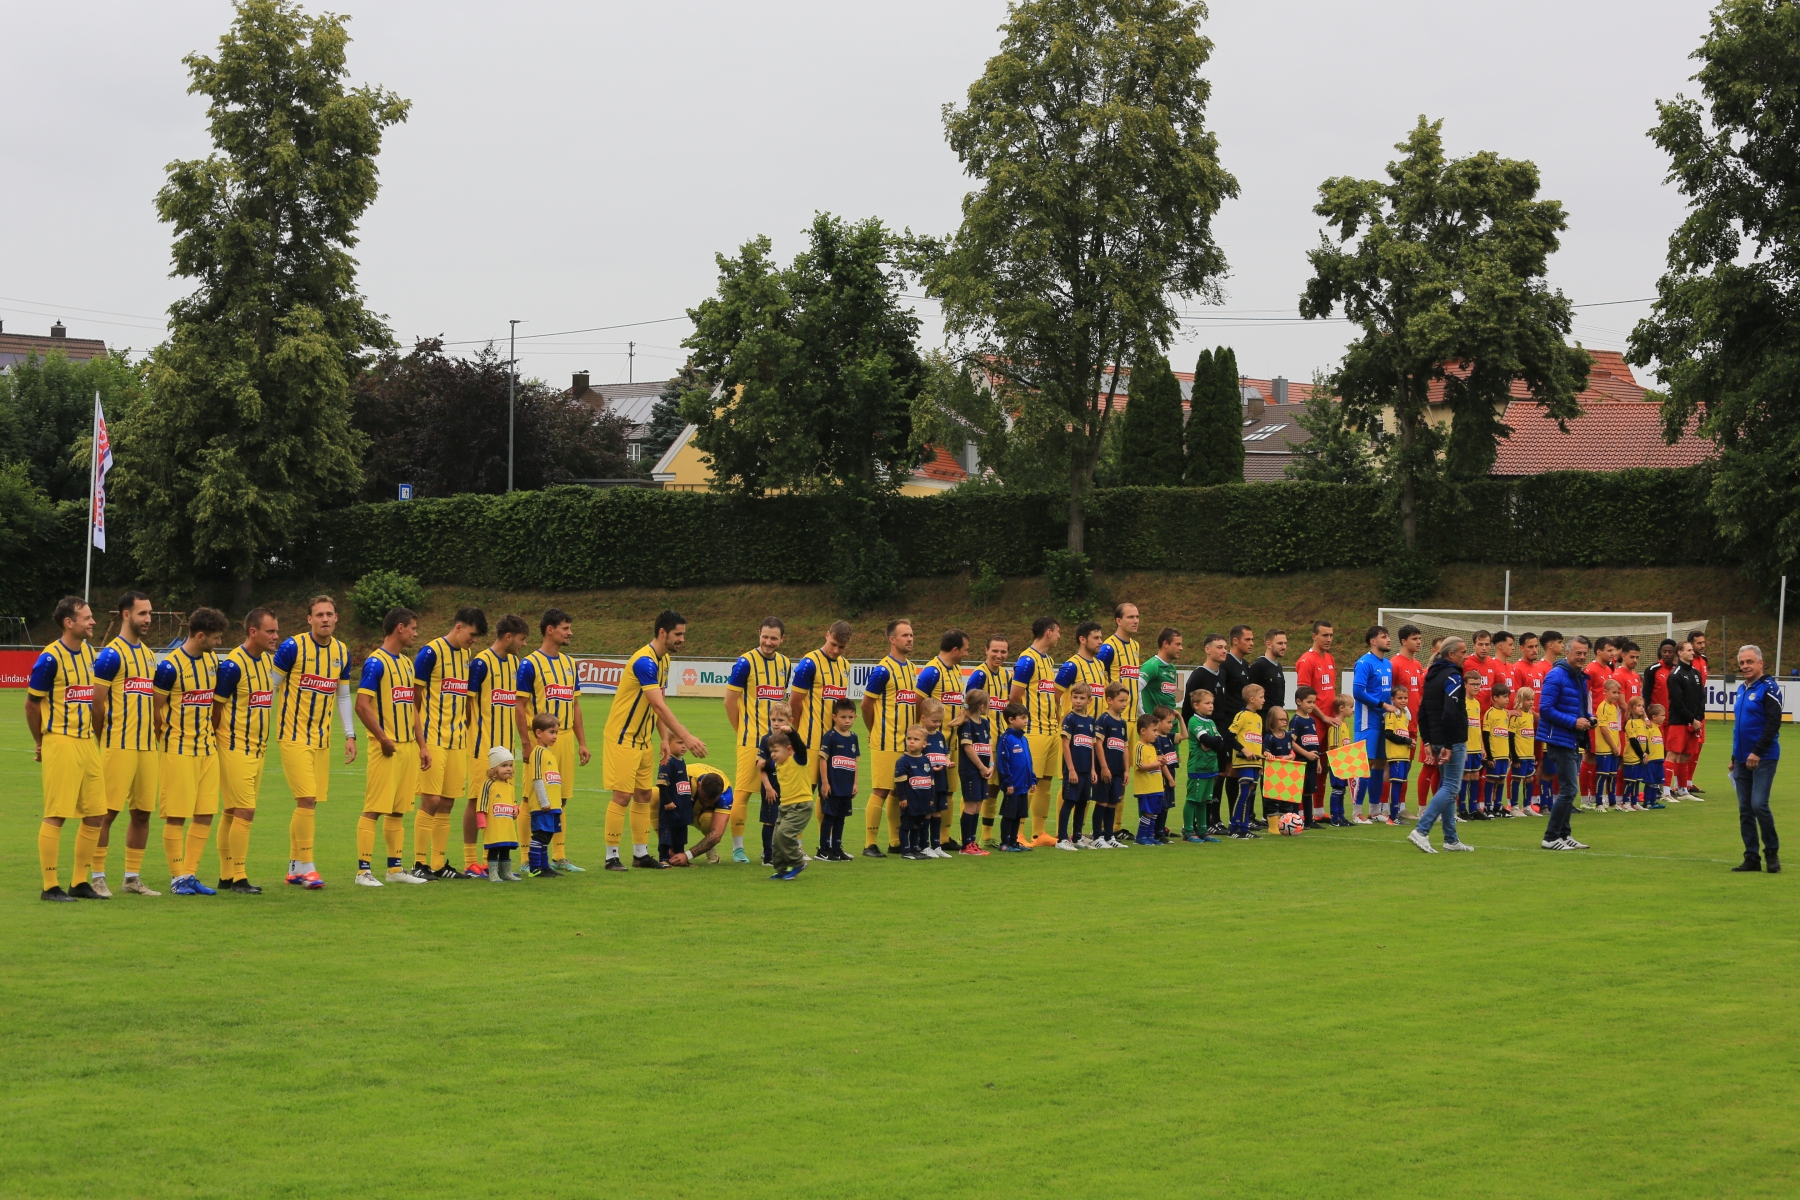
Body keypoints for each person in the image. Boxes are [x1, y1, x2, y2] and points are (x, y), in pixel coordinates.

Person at [602, 610, 707, 871]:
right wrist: (685, 736)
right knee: (622, 796)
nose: (682, 639)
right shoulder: (644, 662)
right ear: (662, 632)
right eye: (678, 634)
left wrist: (663, 738)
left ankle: (640, 854)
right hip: (623, 737)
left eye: (683, 634)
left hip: (643, 739)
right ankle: (611, 856)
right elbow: (658, 705)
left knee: (644, 794)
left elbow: (658, 703)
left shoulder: (665, 660)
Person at [271, 594, 357, 890]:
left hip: (322, 740)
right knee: (306, 799)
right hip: (292, 737)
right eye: (319, 614)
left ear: (336, 618)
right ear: (309, 619)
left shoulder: (342, 651)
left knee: (309, 803)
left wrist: (349, 734)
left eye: (329, 614)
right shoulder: (292, 647)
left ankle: (295, 868)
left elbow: (342, 696)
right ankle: (308, 867)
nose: (324, 619)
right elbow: (270, 686)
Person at [26, 596, 107, 901]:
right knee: (57, 814)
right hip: (61, 740)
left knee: (96, 814)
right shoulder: (50, 658)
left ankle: (79, 882)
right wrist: (41, 741)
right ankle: (50, 886)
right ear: (68, 622)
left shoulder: (88, 652)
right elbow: (31, 705)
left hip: (87, 742)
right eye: (87, 617)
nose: (93, 622)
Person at [153, 607, 231, 895]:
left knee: (205, 814)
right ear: (200, 636)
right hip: (179, 750)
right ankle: (177, 878)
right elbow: (155, 710)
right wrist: (167, 740)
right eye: (216, 638)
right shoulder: (169, 667)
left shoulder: (211, 661)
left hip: (207, 750)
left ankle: (189, 874)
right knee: (176, 816)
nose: (219, 643)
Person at [91, 591, 160, 897]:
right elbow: (96, 704)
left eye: (150, 613)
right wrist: (103, 738)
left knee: (142, 813)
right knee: (106, 813)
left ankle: (132, 878)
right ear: (126, 615)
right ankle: (96, 876)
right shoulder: (111, 655)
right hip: (118, 744)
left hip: (147, 747)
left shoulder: (148, 655)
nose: (148, 619)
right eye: (142, 613)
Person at [354, 607, 429, 888]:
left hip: (407, 749)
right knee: (374, 808)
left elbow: (412, 709)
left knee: (398, 811)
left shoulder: (407, 664)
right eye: (413, 628)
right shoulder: (376, 663)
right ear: (400, 628)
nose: (415, 633)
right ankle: (363, 872)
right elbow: (362, 705)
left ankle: (395, 868)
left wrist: (422, 746)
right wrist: (383, 738)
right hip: (385, 749)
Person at [410, 607, 483, 880]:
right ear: (459, 626)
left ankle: (439, 864)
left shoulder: (466, 655)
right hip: (432, 737)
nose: (473, 640)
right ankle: (419, 863)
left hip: (457, 739)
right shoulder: (430, 653)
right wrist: (420, 741)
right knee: (431, 799)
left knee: (448, 802)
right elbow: (414, 698)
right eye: (472, 634)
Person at [211, 607, 280, 893]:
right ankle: (239, 877)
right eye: (270, 631)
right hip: (234, 747)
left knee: (231, 811)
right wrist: (219, 742)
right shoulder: (232, 666)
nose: (275, 636)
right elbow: (216, 709)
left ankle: (226, 876)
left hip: (258, 749)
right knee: (245, 811)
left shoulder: (267, 662)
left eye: (276, 631)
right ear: (253, 632)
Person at [517, 609, 590, 871]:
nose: (570, 632)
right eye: (565, 628)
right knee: (531, 799)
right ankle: (527, 858)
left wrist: (582, 742)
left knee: (562, 799)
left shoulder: (570, 664)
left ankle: (559, 856)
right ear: (550, 629)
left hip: (565, 738)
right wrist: (526, 744)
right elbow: (519, 706)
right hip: (538, 742)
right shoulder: (529, 664)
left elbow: (575, 706)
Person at [463, 613, 529, 876]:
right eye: (522, 639)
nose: (524, 644)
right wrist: (471, 735)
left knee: (502, 803)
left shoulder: (514, 663)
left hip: (507, 748)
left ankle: (492, 862)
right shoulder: (481, 663)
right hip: (482, 746)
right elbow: (468, 703)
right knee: (476, 800)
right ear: (509, 637)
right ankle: (470, 861)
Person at [788, 620, 853, 863]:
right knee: (806, 795)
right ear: (827, 635)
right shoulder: (809, 663)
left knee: (831, 796)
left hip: (835, 744)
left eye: (841, 647)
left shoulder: (845, 665)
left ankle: (828, 846)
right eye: (833, 644)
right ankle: (795, 844)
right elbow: (795, 703)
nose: (836, 650)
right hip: (809, 741)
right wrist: (795, 737)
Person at [726, 617, 791, 859]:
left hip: (779, 745)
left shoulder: (785, 663)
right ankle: (738, 848)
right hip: (751, 741)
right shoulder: (745, 662)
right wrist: (742, 731)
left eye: (774, 638)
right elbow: (729, 702)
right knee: (743, 793)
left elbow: (782, 703)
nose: (768, 642)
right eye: (765, 636)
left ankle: (779, 847)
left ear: (782, 639)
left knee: (782, 795)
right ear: (758, 634)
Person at [1409, 637, 1473, 853]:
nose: (1466, 656)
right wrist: (1448, 743)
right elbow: (1450, 712)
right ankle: (1422, 830)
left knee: (1447, 786)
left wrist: (1427, 740)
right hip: (1451, 740)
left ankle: (1451, 839)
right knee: (1451, 787)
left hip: (1436, 738)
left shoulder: (1431, 675)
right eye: (1463, 652)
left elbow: (1423, 710)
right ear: (1451, 654)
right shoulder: (1453, 676)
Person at [861, 619, 919, 857]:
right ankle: (869, 844)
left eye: (911, 634)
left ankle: (895, 842)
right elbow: (866, 705)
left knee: (898, 791)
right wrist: (874, 730)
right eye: (905, 635)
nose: (910, 639)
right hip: (885, 742)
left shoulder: (911, 667)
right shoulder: (882, 670)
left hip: (906, 744)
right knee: (881, 791)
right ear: (892, 640)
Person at [1008, 616, 1066, 847]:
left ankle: (1039, 833)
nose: (1060, 636)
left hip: (1051, 730)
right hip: (1033, 731)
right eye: (1058, 631)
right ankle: (1017, 833)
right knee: (1028, 783)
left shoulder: (1048, 659)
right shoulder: (1026, 660)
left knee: (1045, 784)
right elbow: (1014, 696)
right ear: (1049, 632)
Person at [1537, 635, 1595, 851]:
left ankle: (1564, 834)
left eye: (1584, 653)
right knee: (1569, 788)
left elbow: (1576, 708)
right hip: (1559, 738)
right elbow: (1545, 708)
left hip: (1571, 738)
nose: (1582, 656)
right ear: (1568, 653)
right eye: (1578, 653)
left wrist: (1588, 718)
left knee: (1568, 788)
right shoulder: (1557, 675)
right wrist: (1573, 722)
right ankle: (1551, 837)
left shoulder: (1578, 676)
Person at [1729, 645, 1782, 873]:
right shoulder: (1742, 689)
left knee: (1759, 804)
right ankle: (1751, 857)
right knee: (1745, 809)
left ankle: (1771, 851)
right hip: (1742, 759)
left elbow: (1774, 723)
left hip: (1764, 757)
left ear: (1761, 663)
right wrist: (1734, 756)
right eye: (1742, 663)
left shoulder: (1769, 688)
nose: (1745, 666)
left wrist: (1757, 752)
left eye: (1749, 661)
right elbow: (1740, 727)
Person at [916, 630, 970, 850]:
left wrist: (962, 715)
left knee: (948, 791)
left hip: (952, 744)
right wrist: (921, 736)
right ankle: (917, 839)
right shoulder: (932, 671)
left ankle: (944, 838)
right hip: (932, 745)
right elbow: (918, 704)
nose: (967, 654)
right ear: (955, 650)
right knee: (928, 790)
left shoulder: (956, 670)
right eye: (966, 649)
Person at [965, 635, 1014, 847]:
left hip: (1000, 741)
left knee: (992, 789)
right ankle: (967, 838)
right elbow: (968, 705)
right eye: (995, 651)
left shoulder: (1005, 675)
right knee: (974, 789)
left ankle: (986, 836)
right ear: (986, 650)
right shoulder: (979, 675)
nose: (999, 655)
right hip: (981, 741)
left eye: (1003, 651)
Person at [1181, 633, 1229, 834]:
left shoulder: (1222, 673)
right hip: (1204, 738)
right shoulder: (1199, 676)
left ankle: (1213, 819)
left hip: (1218, 734)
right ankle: (1193, 824)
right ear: (1207, 650)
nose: (1224, 650)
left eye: (1225, 647)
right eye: (1219, 647)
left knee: (1219, 775)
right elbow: (1187, 709)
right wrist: (1197, 736)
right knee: (1203, 780)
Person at [1350, 625, 1396, 822]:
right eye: (1384, 637)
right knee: (1364, 764)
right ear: (1373, 641)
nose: (1389, 640)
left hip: (1383, 721)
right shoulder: (1364, 663)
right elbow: (1358, 692)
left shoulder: (1388, 664)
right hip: (1367, 721)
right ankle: (1356, 812)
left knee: (1380, 762)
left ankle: (1375, 810)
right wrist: (1382, 705)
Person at [816, 699, 860, 862]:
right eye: (843, 717)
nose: (847, 721)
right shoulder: (830, 736)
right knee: (829, 818)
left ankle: (836, 848)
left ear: (855, 717)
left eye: (850, 717)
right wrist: (825, 782)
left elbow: (854, 761)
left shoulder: (854, 737)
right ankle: (823, 849)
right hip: (832, 786)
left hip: (846, 787)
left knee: (841, 819)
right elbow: (822, 760)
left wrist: (855, 783)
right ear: (834, 717)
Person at [764, 731, 813, 879]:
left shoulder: (799, 759)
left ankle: (798, 862)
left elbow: (800, 747)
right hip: (784, 806)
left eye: (776, 751)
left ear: (789, 749)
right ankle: (782, 869)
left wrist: (791, 732)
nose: (773, 755)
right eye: (771, 751)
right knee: (776, 839)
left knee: (784, 833)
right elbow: (763, 766)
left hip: (801, 806)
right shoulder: (778, 763)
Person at [1058, 683, 1099, 850]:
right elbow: (1065, 745)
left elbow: (1092, 747)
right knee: (1069, 802)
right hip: (1073, 770)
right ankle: (1062, 839)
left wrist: (1093, 769)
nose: (1078, 701)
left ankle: (1077, 837)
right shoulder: (1070, 719)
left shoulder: (1091, 721)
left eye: (1082, 698)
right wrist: (1071, 770)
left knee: (1082, 803)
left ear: (1089, 700)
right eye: (1075, 697)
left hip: (1086, 771)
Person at [523, 713, 565, 879]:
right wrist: (544, 801)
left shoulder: (549, 753)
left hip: (553, 805)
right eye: (551, 732)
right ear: (539, 733)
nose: (555, 736)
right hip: (543, 805)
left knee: (547, 835)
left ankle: (545, 867)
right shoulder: (538, 753)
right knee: (540, 835)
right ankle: (534, 868)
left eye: (556, 733)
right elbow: (537, 779)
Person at [1666, 641, 1706, 800]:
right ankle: (1666, 791)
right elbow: (1677, 701)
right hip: (1679, 722)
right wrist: (1691, 719)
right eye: (1689, 650)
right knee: (1672, 754)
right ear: (1680, 653)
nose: (1692, 652)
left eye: (1692, 650)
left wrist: (1698, 718)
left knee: (1686, 755)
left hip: (1693, 722)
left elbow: (1701, 697)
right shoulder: (1675, 675)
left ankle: (1683, 790)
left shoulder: (1696, 673)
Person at [955, 689, 993, 856]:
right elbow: (968, 748)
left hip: (984, 770)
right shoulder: (966, 724)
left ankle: (972, 841)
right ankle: (966, 845)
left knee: (978, 806)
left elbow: (989, 745)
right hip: (971, 770)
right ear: (982, 706)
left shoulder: (985, 722)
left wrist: (991, 764)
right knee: (971, 805)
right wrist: (981, 767)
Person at [475, 746, 522, 882]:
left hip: (506, 825)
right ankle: (493, 873)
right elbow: (482, 803)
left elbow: (513, 802)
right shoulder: (489, 784)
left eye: (510, 765)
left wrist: (515, 809)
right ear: (494, 769)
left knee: (506, 848)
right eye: (504, 766)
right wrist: (481, 820)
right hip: (493, 825)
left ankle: (506, 872)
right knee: (494, 849)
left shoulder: (509, 786)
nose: (508, 769)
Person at [1092, 683, 1130, 848]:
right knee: (1102, 802)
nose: (1124, 704)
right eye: (1121, 700)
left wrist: (1126, 769)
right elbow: (1098, 744)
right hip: (1105, 770)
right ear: (1109, 700)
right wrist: (1104, 767)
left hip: (1118, 771)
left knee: (1113, 802)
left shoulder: (1122, 723)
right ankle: (1097, 836)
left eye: (1126, 701)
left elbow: (1125, 747)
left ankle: (1109, 836)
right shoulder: (1104, 719)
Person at [993, 702, 1035, 852]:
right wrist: (1008, 782)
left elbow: (1028, 761)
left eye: (1026, 718)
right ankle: (1005, 843)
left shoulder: (1023, 739)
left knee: (1018, 815)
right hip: (1013, 785)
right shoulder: (1006, 739)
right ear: (1011, 719)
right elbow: (1003, 762)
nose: (1026, 721)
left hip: (1023, 785)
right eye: (1022, 718)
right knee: (1009, 815)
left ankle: (1014, 841)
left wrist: (1032, 779)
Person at [1185, 687, 1224, 842]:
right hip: (1198, 767)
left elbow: (1220, 743)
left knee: (1204, 801)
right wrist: (1213, 742)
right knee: (1192, 800)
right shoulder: (1194, 721)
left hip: (1211, 767)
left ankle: (1203, 831)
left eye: (1212, 703)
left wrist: (1213, 742)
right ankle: (1188, 831)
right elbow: (1206, 740)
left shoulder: (1211, 722)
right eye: (1207, 703)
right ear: (1196, 705)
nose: (1211, 706)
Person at [1227, 683, 1266, 839]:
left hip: (1255, 763)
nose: (1264, 700)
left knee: (1250, 794)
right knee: (1243, 793)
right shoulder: (1241, 715)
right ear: (1252, 699)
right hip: (1244, 762)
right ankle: (1234, 828)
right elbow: (1229, 736)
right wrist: (1243, 750)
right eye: (1261, 697)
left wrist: (1261, 760)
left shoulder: (1258, 718)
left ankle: (1244, 828)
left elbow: (1257, 742)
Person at [919, 700, 954, 858]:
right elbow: (915, 757)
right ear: (923, 718)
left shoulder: (940, 735)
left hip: (940, 780)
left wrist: (948, 762)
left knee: (937, 813)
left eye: (940, 721)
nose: (937, 724)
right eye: (934, 721)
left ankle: (936, 845)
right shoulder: (919, 736)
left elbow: (945, 754)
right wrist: (929, 767)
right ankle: (924, 845)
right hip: (926, 782)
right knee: (927, 812)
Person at [1133, 713, 1173, 845]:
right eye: (1154, 730)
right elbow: (1138, 765)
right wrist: (1156, 764)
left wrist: (1162, 762)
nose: (1156, 734)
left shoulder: (1152, 747)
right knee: (1148, 813)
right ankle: (1141, 837)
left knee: (1155, 812)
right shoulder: (1139, 746)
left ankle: (1150, 836)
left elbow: (1156, 763)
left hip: (1157, 787)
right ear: (1143, 731)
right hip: (1146, 788)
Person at [1290, 686, 1323, 830]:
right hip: (1301, 762)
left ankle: (1309, 820)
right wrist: (1306, 754)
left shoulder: (1312, 720)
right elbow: (1291, 742)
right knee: (1298, 792)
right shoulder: (1296, 720)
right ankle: (1295, 820)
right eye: (1309, 702)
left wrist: (1318, 760)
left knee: (1309, 791)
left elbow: (1314, 742)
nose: (1312, 705)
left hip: (1312, 762)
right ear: (1299, 701)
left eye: (1314, 702)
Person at [1481, 678, 1512, 817]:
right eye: (1504, 697)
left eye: (1508, 697)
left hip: (1504, 754)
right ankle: (1488, 807)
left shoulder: (1506, 713)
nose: (1507, 699)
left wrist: (1509, 755)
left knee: (1501, 780)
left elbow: (1506, 735)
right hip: (1494, 754)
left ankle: (1497, 807)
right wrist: (1489, 756)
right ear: (1495, 698)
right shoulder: (1490, 713)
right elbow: (1486, 735)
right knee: (1491, 780)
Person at [1383, 685, 1414, 823]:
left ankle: (1396, 814)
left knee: (1400, 784)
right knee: (1396, 784)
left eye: (1405, 698)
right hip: (1395, 756)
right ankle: (1393, 816)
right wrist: (1406, 741)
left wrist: (1409, 742)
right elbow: (1389, 734)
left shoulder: (1405, 715)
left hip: (1404, 756)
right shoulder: (1391, 714)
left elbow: (1402, 734)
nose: (1403, 700)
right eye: (1400, 698)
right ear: (1392, 699)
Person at [1687, 630, 1712, 794]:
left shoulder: (1704, 660)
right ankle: (1679, 783)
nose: (1702, 645)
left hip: (1699, 709)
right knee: (1686, 747)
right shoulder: (1685, 662)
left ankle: (1689, 782)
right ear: (1691, 644)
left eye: (1703, 642)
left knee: (1699, 744)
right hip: (1688, 711)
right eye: (1699, 643)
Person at [1247, 628, 1289, 712]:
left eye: (1285, 643)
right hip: (1263, 717)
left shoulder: (1278, 666)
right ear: (1268, 644)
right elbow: (1251, 696)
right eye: (1280, 643)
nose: (1284, 647)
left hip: (1276, 716)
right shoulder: (1259, 666)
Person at [1511, 688, 1538, 814]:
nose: (1531, 702)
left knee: (1530, 779)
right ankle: (1514, 806)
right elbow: (1511, 736)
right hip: (1520, 755)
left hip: (1529, 755)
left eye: (1532, 699)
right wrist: (1514, 756)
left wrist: (1532, 754)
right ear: (1520, 700)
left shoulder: (1530, 714)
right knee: (1517, 779)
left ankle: (1527, 806)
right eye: (1528, 699)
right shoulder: (1516, 715)